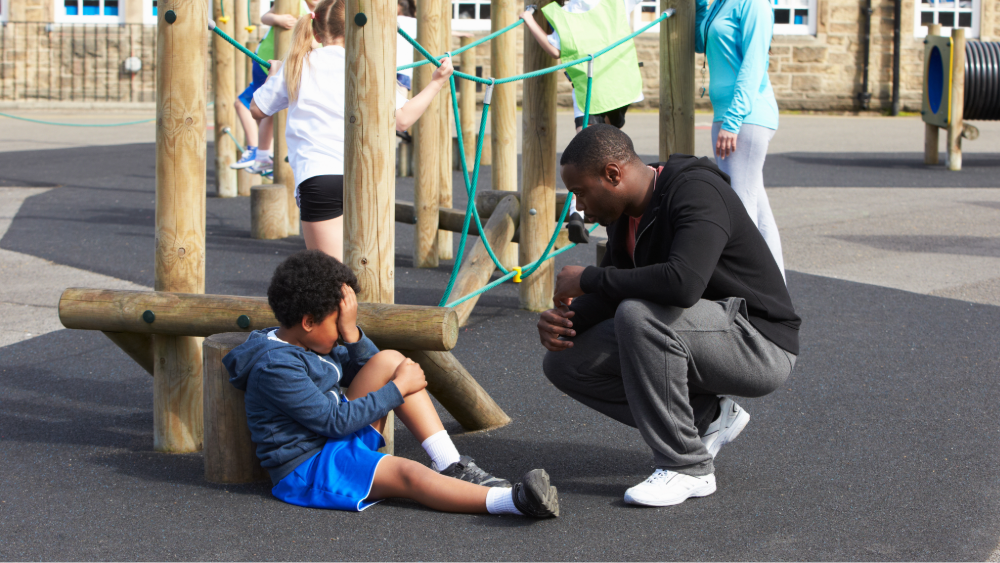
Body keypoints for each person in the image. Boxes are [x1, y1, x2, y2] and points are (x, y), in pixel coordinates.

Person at [536, 125, 800, 507]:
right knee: (566, 363)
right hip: (700, 333)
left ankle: (688, 468)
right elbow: (617, 294)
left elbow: (683, 285)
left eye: (579, 192)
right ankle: (709, 416)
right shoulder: (625, 216)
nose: (578, 206)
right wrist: (565, 322)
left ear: (613, 174)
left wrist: (590, 278)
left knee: (640, 315)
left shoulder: (696, 192)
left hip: (759, 343)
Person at [224, 250, 559, 517]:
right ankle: (513, 502)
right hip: (310, 469)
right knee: (407, 475)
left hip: (331, 440)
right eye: (336, 321)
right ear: (309, 321)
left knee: (390, 360)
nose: (341, 329)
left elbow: (366, 368)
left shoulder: (308, 341)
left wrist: (353, 333)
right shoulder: (275, 367)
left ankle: (451, 465)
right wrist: (398, 389)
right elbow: (333, 422)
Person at [250, 0, 454, 260]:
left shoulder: (296, 64)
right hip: (364, 176)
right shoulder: (368, 66)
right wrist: (436, 83)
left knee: (330, 275)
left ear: (315, 31)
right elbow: (402, 120)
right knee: (363, 270)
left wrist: (275, 74)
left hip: (319, 175)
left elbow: (257, 109)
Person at [521, 0, 644, 245]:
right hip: (619, 88)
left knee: (585, 156)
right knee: (608, 155)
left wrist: (528, 20)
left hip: (590, 94)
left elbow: (554, 50)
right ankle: (612, 210)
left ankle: (577, 213)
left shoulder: (564, 15)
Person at [695, 0, 785, 279]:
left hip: (746, 116)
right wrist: (700, 6)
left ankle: (751, 292)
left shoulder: (754, 4)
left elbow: (753, 65)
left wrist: (733, 121)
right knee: (757, 206)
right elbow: (700, 43)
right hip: (727, 115)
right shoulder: (721, 3)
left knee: (739, 207)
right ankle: (776, 290)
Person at [231, 0, 316, 176]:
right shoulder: (293, 3)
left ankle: (263, 153)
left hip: (293, 66)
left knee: (272, 110)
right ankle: (259, 152)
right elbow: (265, 17)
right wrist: (278, 19)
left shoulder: (328, 10)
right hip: (269, 62)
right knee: (252, 105)